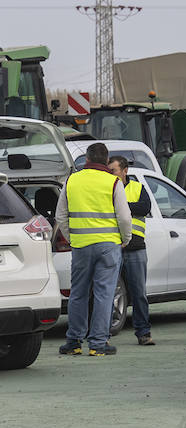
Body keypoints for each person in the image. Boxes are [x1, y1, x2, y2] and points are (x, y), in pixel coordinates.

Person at [56, 142, 132, 356]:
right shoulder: (113, 182)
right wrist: (124, 239)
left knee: (78, 293)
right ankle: (98, 343)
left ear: (87, 160)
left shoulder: (71, 180)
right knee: (104, 294)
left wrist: (72, 238)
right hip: (108, 246)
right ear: (106, 161)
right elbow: (125, 217)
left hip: (81, 246)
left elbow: (60, 215)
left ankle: (74, 341)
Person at [110, 157, 155, 346]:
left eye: (113, 170)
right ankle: (103, 334)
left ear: (124, 170)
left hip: (135, 248)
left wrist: (121, 208)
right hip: (113, 246)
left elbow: (145, 207)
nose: (110, 174)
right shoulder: (108, 188)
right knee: (108, 293)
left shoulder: (137, 188)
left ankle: (143, 333)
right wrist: (129, 209)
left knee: (138, 293)